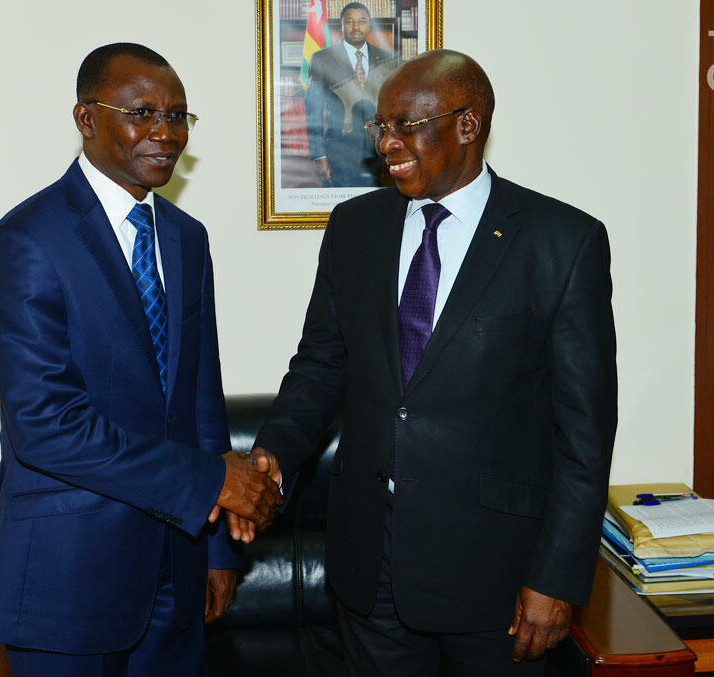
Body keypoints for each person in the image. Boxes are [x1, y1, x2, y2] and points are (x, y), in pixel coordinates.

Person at [248, 49, 618, 674]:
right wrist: (273, 456)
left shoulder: (561, 241)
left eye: (405, 125)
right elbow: (320, 366)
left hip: (497, 575)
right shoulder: (354, 227)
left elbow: (585, 432)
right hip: (370, 564)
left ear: (468, 125)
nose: (385, 143)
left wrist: (557, 576)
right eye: (381, 126)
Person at [0, 43, 281, 676]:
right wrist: (211, 482)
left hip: (178, 572)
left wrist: (217, 551)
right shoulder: (26, 241)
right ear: (86, 119)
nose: (166, 133)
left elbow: (199, 399)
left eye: (178, 116)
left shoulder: (186, 238)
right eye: (142, 113)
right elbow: (48, 428)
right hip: (69, 582)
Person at [304, 1, 397, 187]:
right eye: (350, 22)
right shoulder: (323, 59)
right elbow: (313, 110)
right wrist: (319, 155)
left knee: (380, 202)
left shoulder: (388, 60)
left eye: (362, 21)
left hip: (379, 151)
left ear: (369, 25)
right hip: (339, 152)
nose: (356, 27)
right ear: (341, 26)